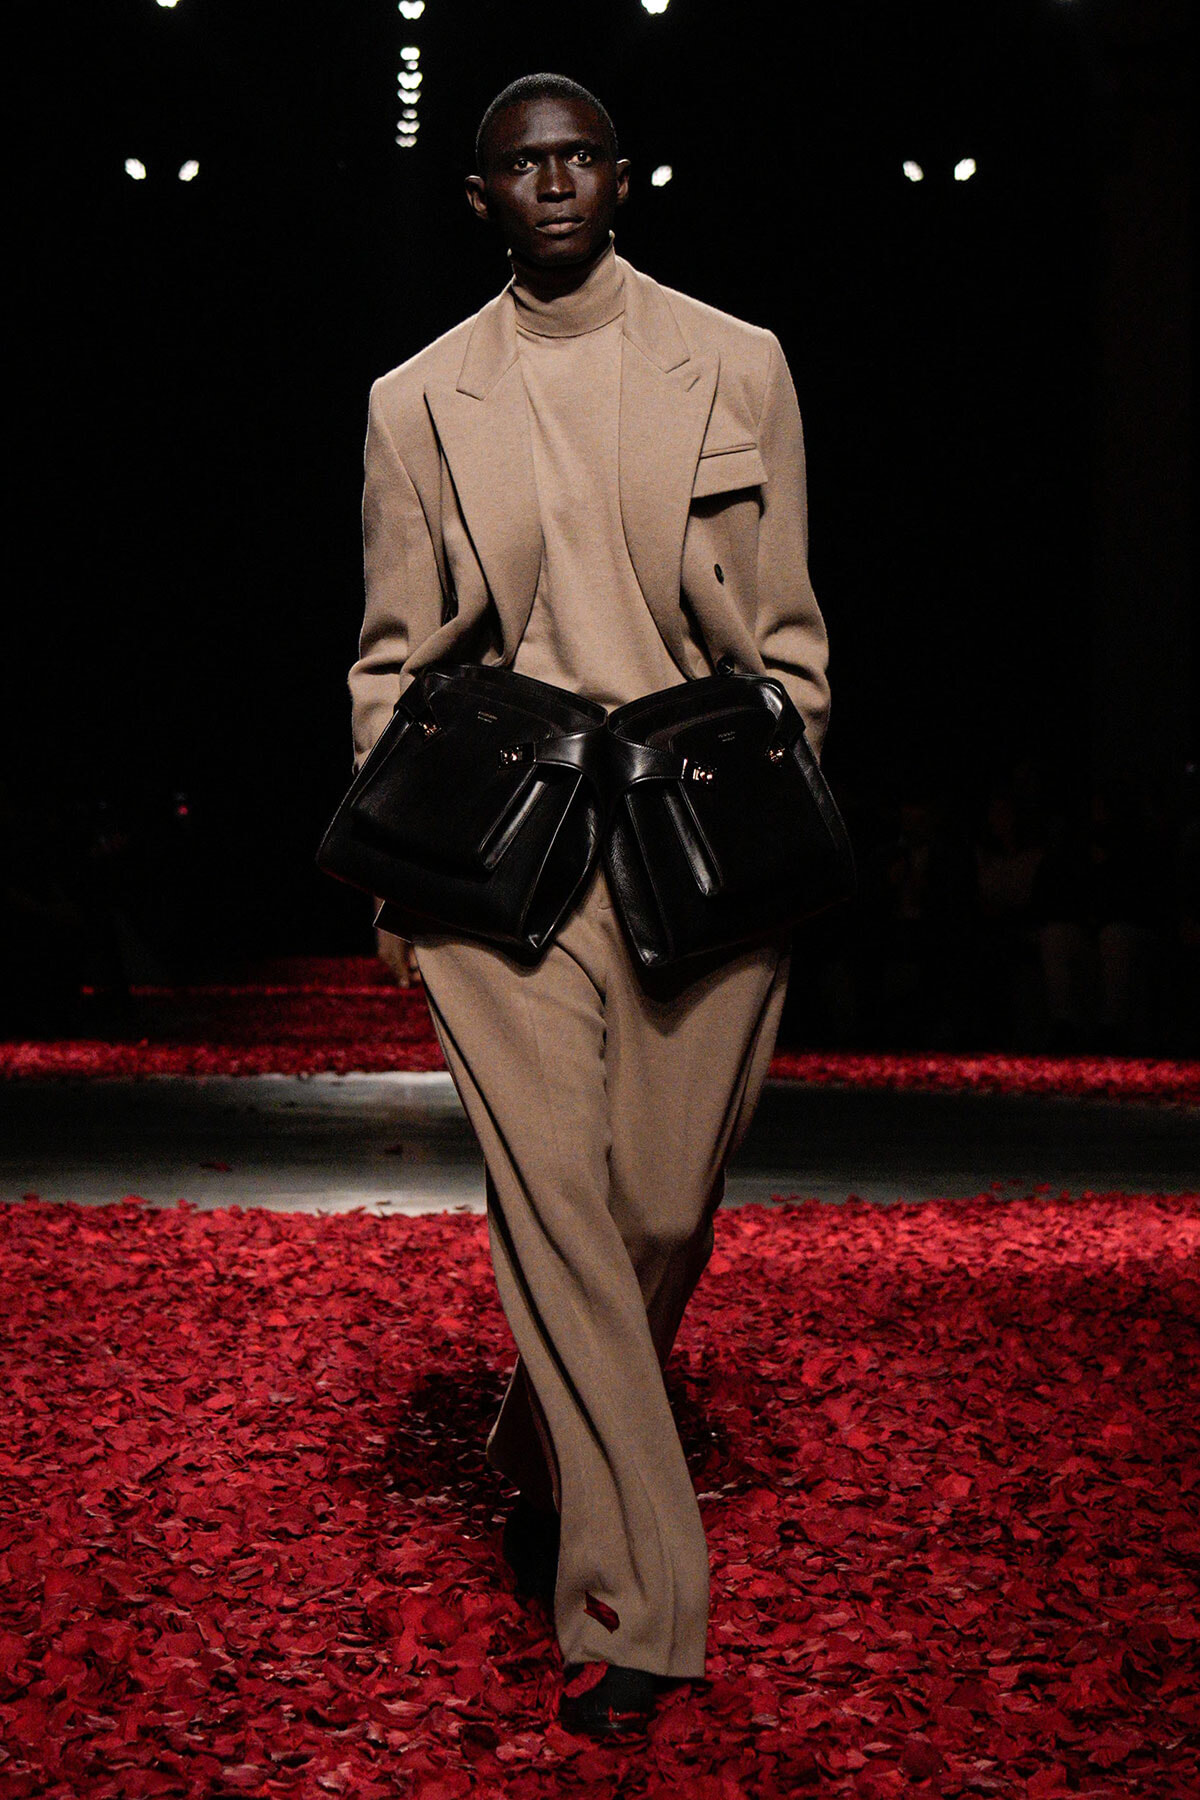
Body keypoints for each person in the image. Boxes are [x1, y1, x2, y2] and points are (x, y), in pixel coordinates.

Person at [347, 72, 832, 1737]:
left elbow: (787, 633)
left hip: (698, 845)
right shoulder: (419, 400)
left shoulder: (736, 360)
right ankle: (635, 1609)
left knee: (660, 1219)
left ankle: (551, 1442)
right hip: (507, 866)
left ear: (622, 177)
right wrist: (404, 873)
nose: (552, 183)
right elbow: (394, 657)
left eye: (578, 156)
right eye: (518, 165)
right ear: (480, 198)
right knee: (559, 1205)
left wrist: (787, 790)